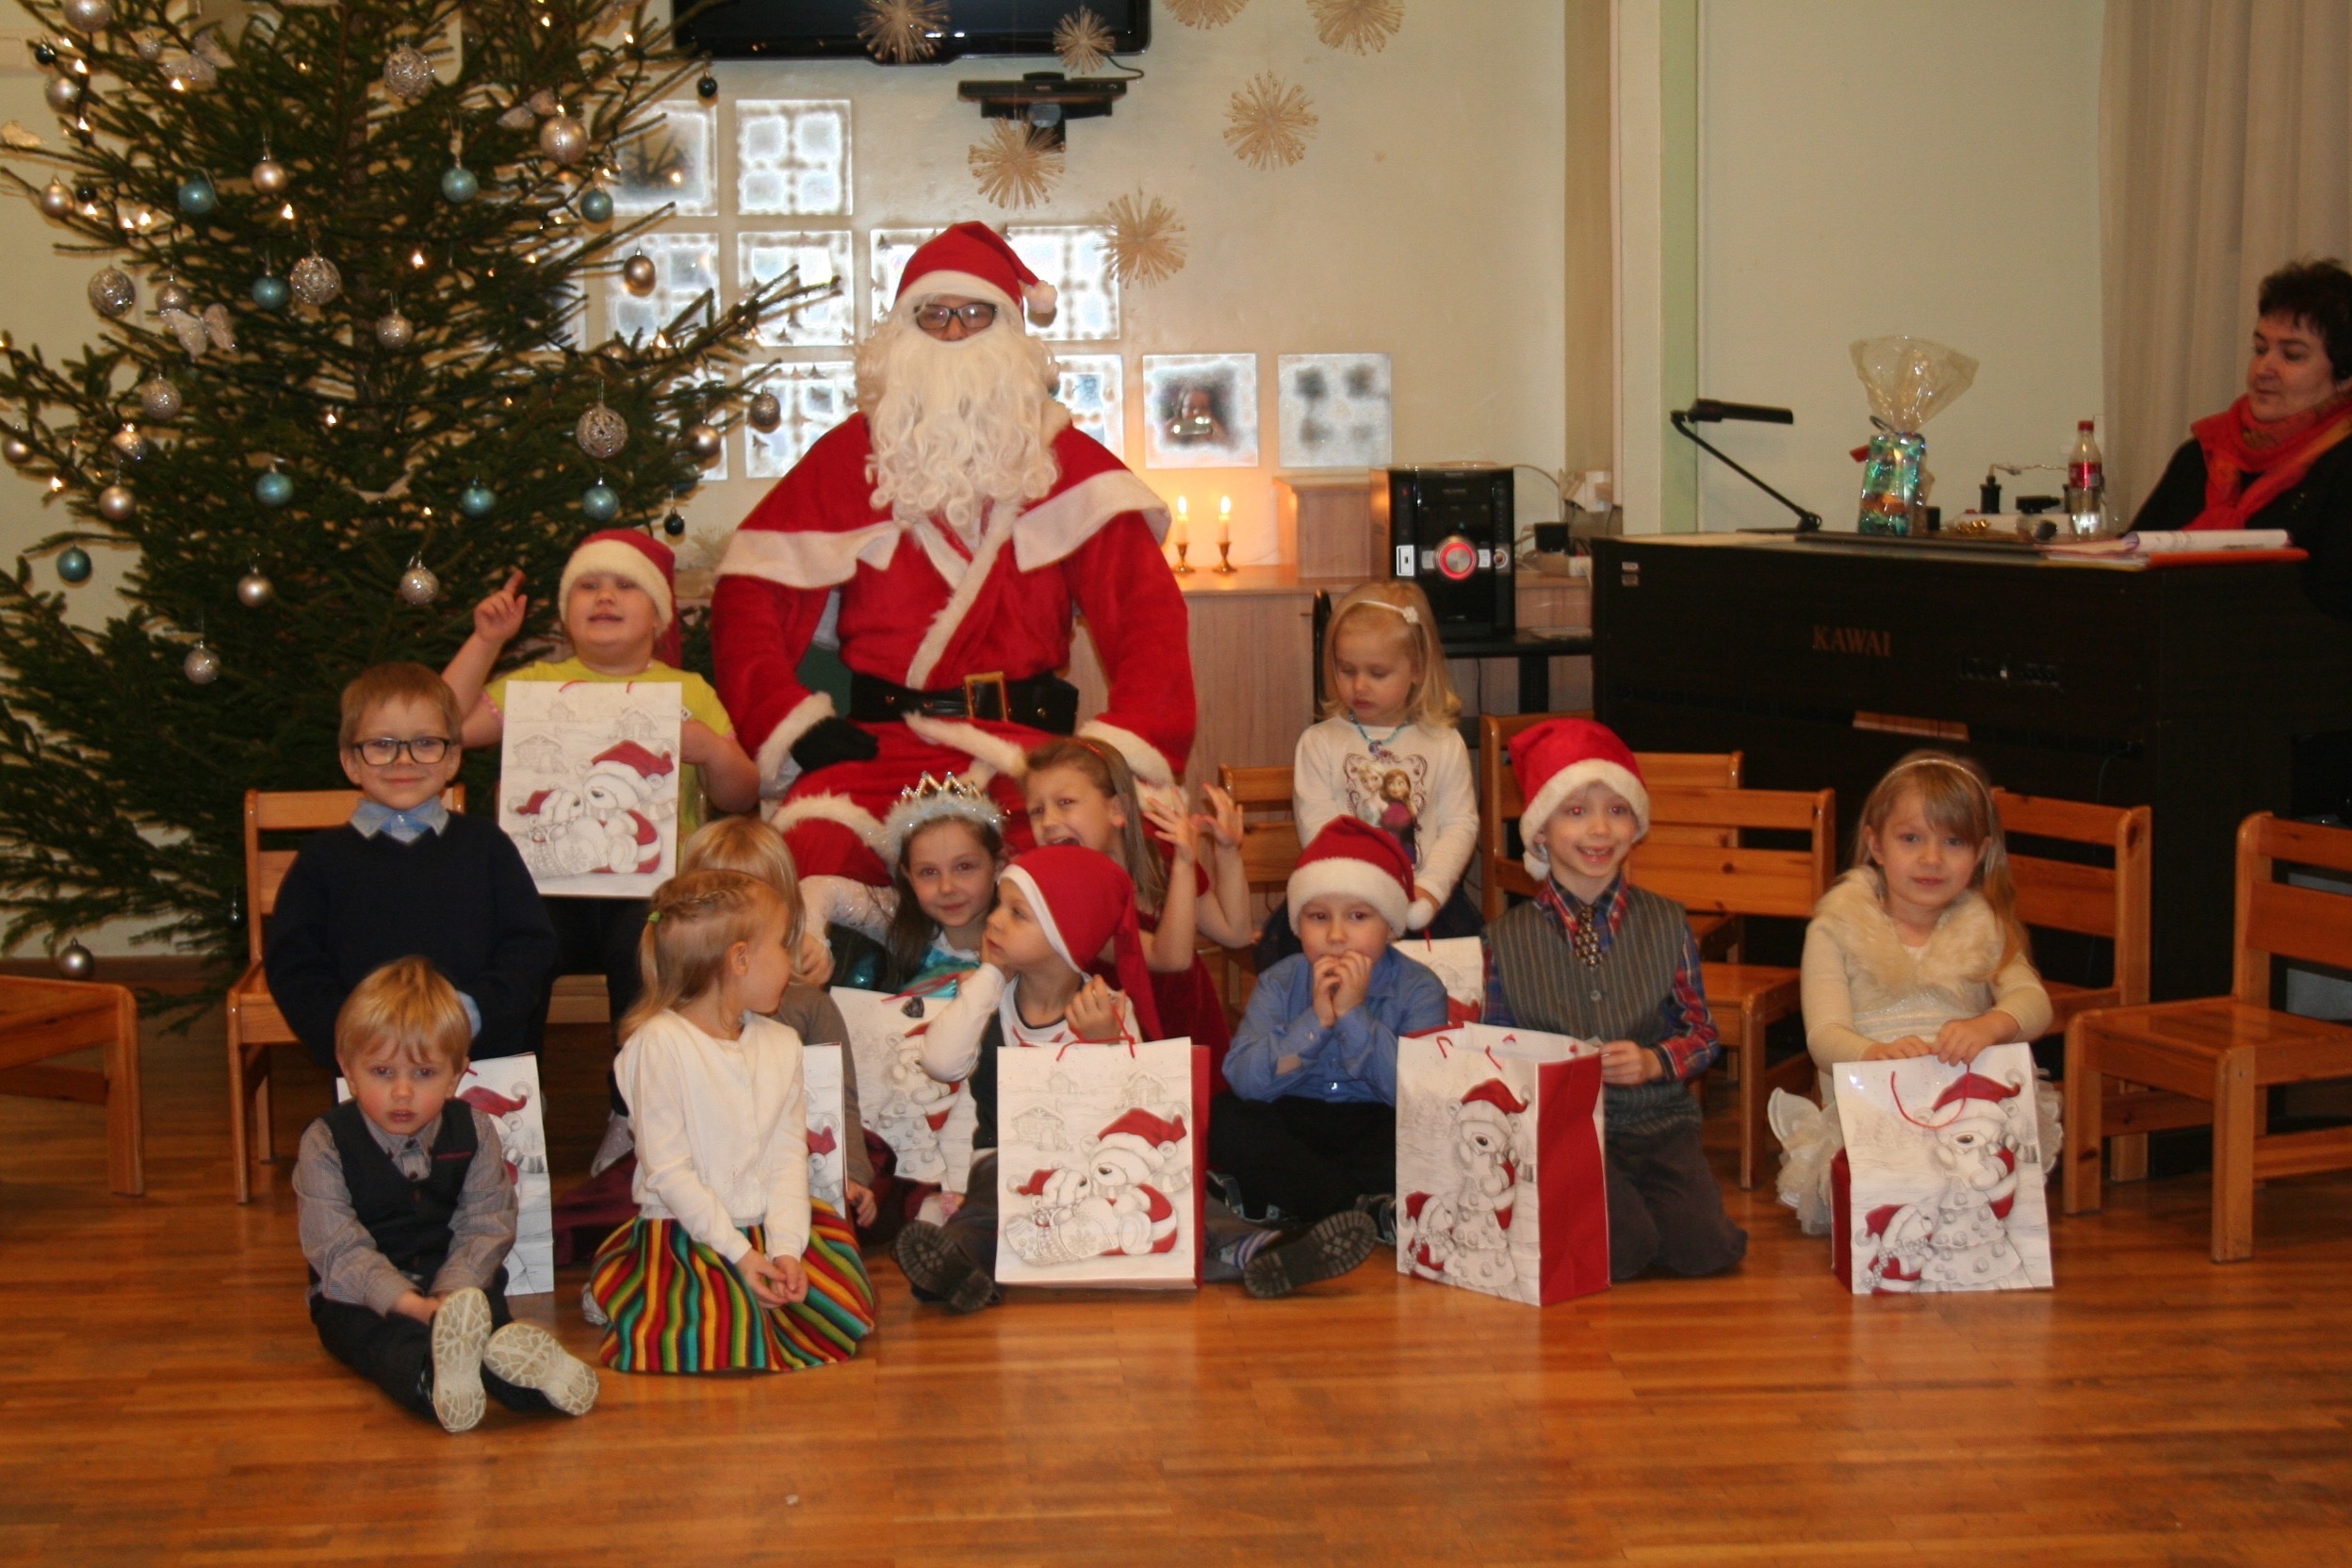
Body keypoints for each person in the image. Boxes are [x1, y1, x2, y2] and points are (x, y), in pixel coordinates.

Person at [711, 220, 1195, 887]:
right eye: (934, 316)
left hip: (1028, 759)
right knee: (811, 858)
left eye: (976, 314)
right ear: (902, 334)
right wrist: (791, 723)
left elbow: (1148, 619)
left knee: (1096, 867)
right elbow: (746, 596)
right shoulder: (848, 459)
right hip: (878, 752)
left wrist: (1114, 750)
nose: (955, 333)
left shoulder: (1068, 464)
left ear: (1011, 330)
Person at [442, 530, 760, 1175]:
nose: (605, 596)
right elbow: (441, 726)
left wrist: (711, 750)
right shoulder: (534, 684)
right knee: (514, 955)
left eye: (625, 585)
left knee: (642, 951)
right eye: (588, 585)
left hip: (650, 892)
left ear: (659, 617)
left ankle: (631, 1110)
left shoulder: (688, 690)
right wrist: (486, 641)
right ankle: (511, 1105)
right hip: (546, 889)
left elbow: (741, 794)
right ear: (566, 612)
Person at [1483, 719, 1748, 1282]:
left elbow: (1703, 1034)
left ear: (1637, 827)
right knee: (1624, 1249)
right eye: (1576, 811)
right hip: (1566, 1132)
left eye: (1618, 810)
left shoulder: (1667, 922)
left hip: (1658, 1124)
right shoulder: (1505, 940)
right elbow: (1496, 1050)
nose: (1600, 829)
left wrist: (1655, 1060)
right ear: (1540, 833)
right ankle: (1595, 1214)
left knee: (1707, 1250)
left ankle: (1630, 1213)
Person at [584, 871, 876, 1373]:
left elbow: (787, 1157)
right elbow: (668, 1172)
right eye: (782, 945)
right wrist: (740, 1255)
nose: (792, 959)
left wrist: (786, 1249)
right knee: (722, 1336)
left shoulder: (781, 1044)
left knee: (831, 1296)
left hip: (766, 1226)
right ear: (740, 960)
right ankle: (630, 1292)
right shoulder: (658, 1046)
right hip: (692, 1233)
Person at [294, 957, 597, 1433]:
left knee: (489, 1323)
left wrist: (453, 1293)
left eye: (423, 1073)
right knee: (382, 1341)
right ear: (348, 1071)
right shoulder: (326, 1142)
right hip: (359, 1294)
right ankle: (431, 1379)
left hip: (458, 1279)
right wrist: (412, 1304)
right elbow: (336, 1245)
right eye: (381, 1071)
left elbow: (487, 1221)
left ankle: (536, 1381)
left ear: (457, 1075)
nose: (401, 1092)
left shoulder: (474, 1129)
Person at [1770, 751, 2054, 1234]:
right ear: (1876, 845)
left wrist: (1990, 1025)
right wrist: (1871, 1053)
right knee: (1898, 1212)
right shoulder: (1837, 928)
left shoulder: (1984, 927)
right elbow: (1823, 1035)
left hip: (1962, 1112)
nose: (1931, 859)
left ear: (1981, 852)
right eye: (1911, 838)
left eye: (1953, 841)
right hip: (1873, 1116)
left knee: (1977, 1186)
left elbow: (2035, 1003)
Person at [266, 663, 555, 1071]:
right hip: (367, 1067)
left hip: (480, 1064)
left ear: (452, 758)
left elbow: (529, 947)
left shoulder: (487, 845)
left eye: (425, 743)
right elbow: (295, 966)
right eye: (382, 744)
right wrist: (353, 1031)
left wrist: (471, 1015)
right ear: (351, 762)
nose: (403, 760)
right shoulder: (322, 859)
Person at [1212, 817, 1450, 1244]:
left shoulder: (1419, 988)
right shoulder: (1279, 982)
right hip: (1293, 1115)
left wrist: (1354, 1015)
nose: (1337, 935)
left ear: (1391, 926)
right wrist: (1316, 1022)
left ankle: (1299, 1207)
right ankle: (1357, 1211)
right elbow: (1245, 1080)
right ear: (1298, 925)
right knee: (1225, 1119)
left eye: (1358, 916)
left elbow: (1420, 1095)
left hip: (1375, 1118)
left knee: (1429, 1134)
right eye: (1318, 917)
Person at [675, 815, 877, 1232]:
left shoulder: (808, 1006)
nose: (737, 923)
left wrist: (851, 1173)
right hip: (700, 1172)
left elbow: (839, 1100)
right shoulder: (681, 1006)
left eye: (755, 904)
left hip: (794, 1168)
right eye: (718, 904)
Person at [1265, 580, 1479, 967]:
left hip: (1424, 903)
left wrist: (1430, 891)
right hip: (1343, 904)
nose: (1359, 685)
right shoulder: (1319, 743)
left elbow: (1459, 825)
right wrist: (1364, 894)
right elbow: (1319, 828)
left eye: (1378, 673)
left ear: (1417, 669)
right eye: (1346, 669)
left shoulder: (1444, 743)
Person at [2133, 258, 2352, 616]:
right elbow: (2130, 566)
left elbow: (2337, 606)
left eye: (2292, 355)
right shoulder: (2203, 454)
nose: (2264, 369)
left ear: (2344, 376)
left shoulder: (2343, 464)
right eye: (2260, 349)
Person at [1025, 736, 1247, 1082]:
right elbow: (1171, 958)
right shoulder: (1062, 901)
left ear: (1118, 809)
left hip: (1192, 1032)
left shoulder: (1162, 857)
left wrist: (1228, 851)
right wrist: (1185, 865)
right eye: (1036, 810)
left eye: (1065, 802)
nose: (1048, 820)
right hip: (1122, 1054)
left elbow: (1235, 933)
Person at [799, 770, 1007, 994]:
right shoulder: (899, 919)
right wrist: (812, 935)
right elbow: (820, 888)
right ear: (908, 876)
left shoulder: (1020, 933)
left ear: (997, 867)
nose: (946, 887)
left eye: (964, 867)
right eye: (928, 872)